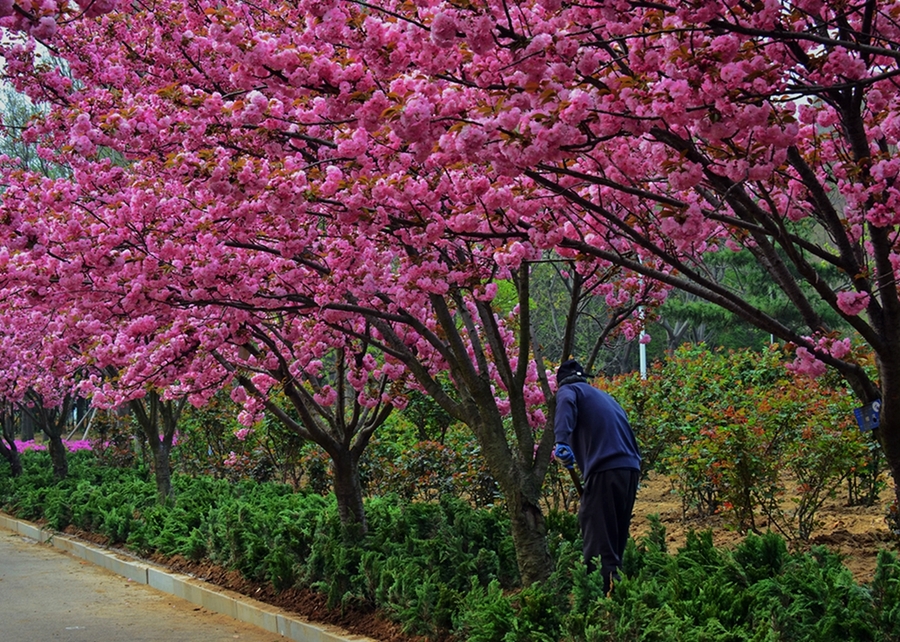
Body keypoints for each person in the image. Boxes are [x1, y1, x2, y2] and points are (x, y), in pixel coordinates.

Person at [553, 359, 641, 594]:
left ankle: (602, 603)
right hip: (629, 469)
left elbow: (566, 403)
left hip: (605, 468)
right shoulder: (604, 397)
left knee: (599, 540)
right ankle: (621, 595)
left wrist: (561, 441)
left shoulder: (568, 391)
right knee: (615, 539)